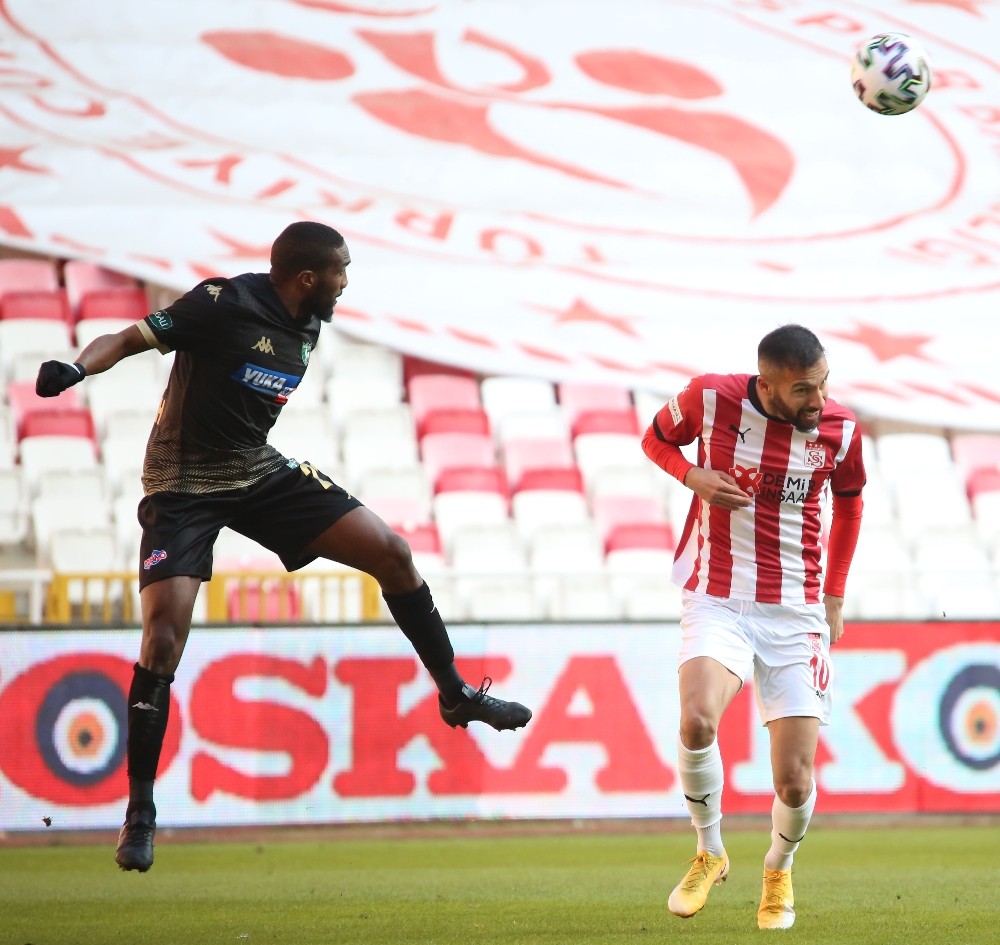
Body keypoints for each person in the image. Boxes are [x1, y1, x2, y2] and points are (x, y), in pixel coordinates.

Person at [35, 221, 532, 873]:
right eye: (340, 270)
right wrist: (77, 367)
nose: (345, 282)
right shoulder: (222, 304)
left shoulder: (310, 321)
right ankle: (141, 812)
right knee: (162, 638)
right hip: (183, 484)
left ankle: (456, 694)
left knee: (392, 552)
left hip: (255, 469)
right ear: (307, 276)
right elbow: (128, 339)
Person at [641, 324, 864, 931]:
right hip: (719, 596)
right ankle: (709, 850)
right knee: (696, 720)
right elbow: (654, 438)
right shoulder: (709, 398)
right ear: (766, 386)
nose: (817, 401)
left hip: (796, 613)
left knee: (793, 781)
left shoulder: (841, 430)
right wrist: (691, 475)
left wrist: (835, 595)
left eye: (822, 384)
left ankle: (778, 868)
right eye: (802, 391)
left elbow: (850, 503)